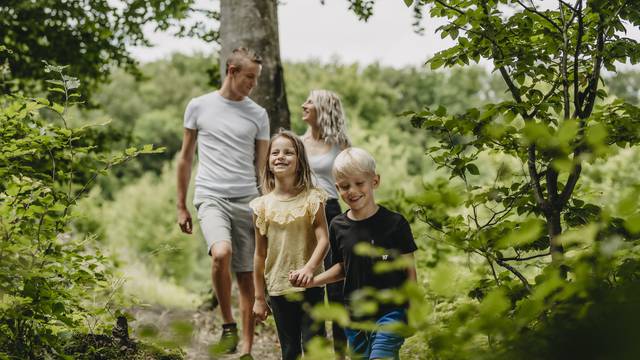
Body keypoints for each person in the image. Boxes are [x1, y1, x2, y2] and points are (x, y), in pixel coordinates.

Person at [176, 47, 269, 359]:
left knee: (246, 277)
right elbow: (186, 158)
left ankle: (246, 348)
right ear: (231, 71)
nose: (253, 84)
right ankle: (227, 323)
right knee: (221, 253)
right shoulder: (199, 106)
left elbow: (263, 167)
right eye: (249, 77)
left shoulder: (258, 114)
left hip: (247, 200)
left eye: (256, 78)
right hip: (211, 196)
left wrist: (268, 203)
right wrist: (181, 205)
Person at [301, 147, 418, 360]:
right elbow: (342, 267)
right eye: (345, 186)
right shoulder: (337, 225)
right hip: (355, 318)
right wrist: (314, 281)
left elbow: (409, 269)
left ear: (374, 181)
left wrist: (413, 308)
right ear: (337, 188)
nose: (352, 191)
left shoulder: (395, 223)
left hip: (391, 313)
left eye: (359, 183)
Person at [249, 130, 330, 360]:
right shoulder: (261, 206)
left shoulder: (313, 198)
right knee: (290, 351)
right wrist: (258, 297)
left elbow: (324, 240)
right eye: (275, 152)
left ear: (300, 161)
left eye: (288, 152)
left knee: (315, 347)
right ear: (268, 161)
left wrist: (309, 269)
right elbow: (259, 254)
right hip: (278, 287)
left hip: (311, 285)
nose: (280, 157)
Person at [300, 89, 351, 358]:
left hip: (331, 212)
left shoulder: (340, 143)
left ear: (323, 109)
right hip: (303, 215)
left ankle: (342, 353)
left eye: (310, 101)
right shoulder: (297, 143)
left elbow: (353, 179)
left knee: (337, 285)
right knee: (310, 287)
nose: (303, 105)